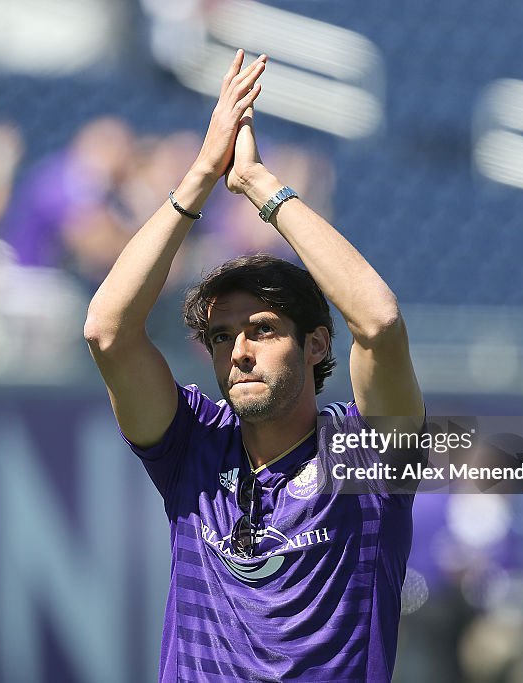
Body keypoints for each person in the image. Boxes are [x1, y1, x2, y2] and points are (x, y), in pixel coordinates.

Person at [84, 50, 424, 681]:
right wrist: (201, 177)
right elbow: (107, 333)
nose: (237, 350)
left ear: (318, 345)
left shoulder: (366, 456)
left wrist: (259, 186)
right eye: (221, 337)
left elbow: (377, 321)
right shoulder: (192, 445)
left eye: (262, 330)